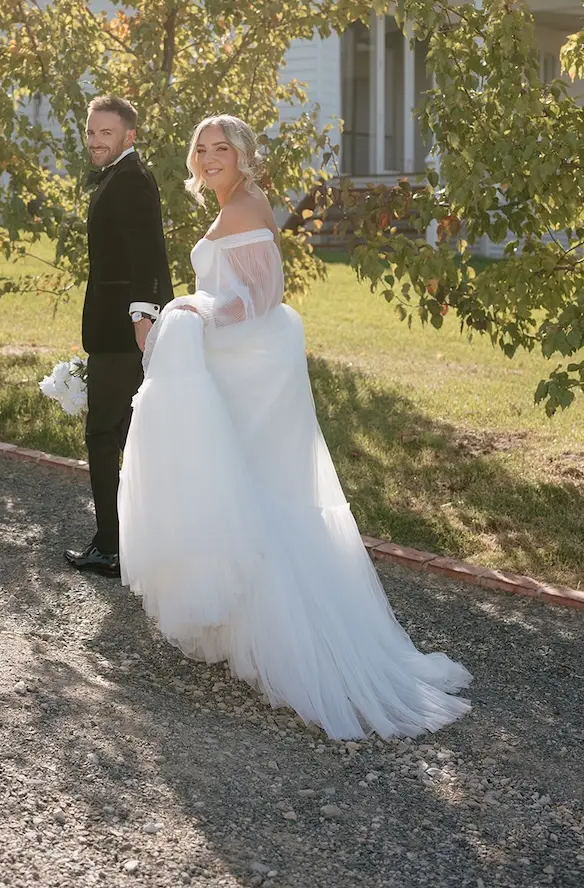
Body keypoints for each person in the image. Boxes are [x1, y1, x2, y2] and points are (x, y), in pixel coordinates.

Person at [118, 114, 472, 740]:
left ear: (243, 156)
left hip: (247, 360)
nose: (209, 157)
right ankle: (245, 628)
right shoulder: (236, 202)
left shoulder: (247, 205)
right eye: (202, 149)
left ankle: (295, 646)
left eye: (221, 148)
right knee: (247, 483)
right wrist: (189, 309)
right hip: (239, 359)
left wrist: (187, 310)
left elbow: (258, 294)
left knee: (258, 489)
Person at [64, 95, 173, 578]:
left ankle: (112, 546)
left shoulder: (131, 179)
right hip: (113, 328)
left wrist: (142, 321)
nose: (94, 141)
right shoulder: (121, 176)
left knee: (104, 435)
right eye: (90, 132)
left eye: (105, 133)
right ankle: (128, 540)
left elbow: (147, 253)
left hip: (123, 333)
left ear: (129, 136)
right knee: (124, 434)